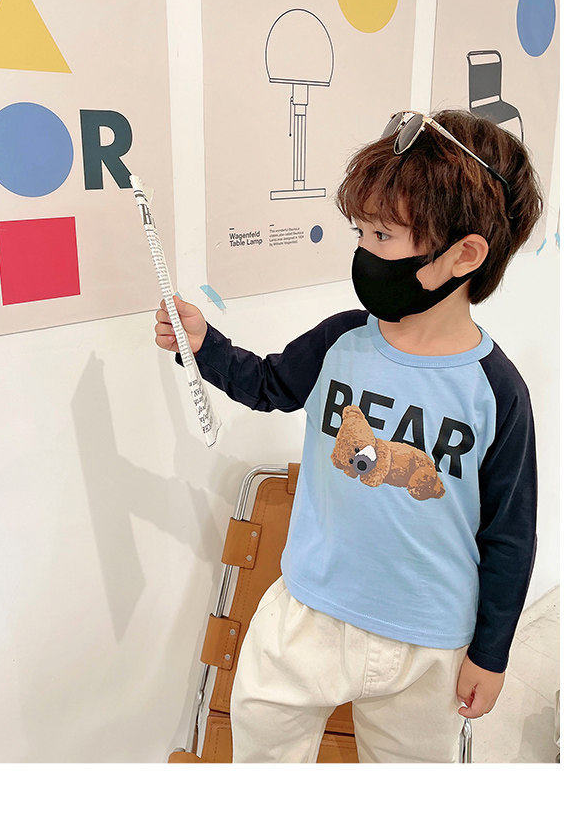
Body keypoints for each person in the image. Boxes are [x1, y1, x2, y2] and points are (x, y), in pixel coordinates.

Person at [154, 109, 543, 763]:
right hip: (308, 610)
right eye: (360, 231)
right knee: (260, 756)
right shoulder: (341, 341)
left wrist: (492, 652)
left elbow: (509, 532)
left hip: (427, 639)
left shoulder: (496, 391)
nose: (363, 251)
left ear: (465, 254)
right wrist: (204, 345)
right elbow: (270, 384)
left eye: (383, 235)